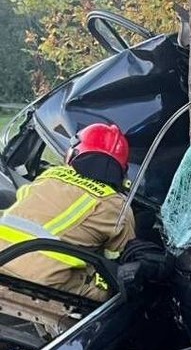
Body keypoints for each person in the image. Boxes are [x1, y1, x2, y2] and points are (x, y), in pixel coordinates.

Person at [0, 123, 135, 301]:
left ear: (75, 152)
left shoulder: (50, 175)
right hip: (43, 282)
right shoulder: (118, 206)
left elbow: (25, 198)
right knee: (112, 293)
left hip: (2, 259)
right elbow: (124, 258)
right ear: (123, 170)